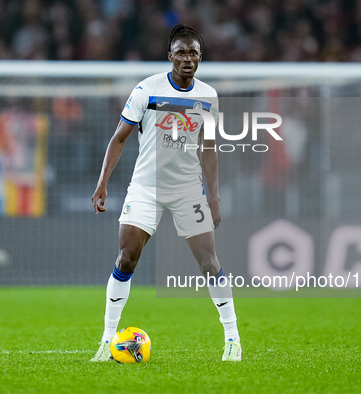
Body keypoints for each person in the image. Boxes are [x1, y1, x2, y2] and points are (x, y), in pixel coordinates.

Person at [90, 24, 241, 362]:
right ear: (170, 56)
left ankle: (233, 339)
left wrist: (213, 196)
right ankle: (106, 340)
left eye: (194, 53)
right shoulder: (147, 90)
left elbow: (210, 147)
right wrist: (102, 182)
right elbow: (119, 138)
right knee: (126, 258)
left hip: (188, 189)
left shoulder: (208, 96)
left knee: (209, 262)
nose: (188, 58)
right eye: (182, 52)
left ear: (200, 58)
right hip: (145, 188)